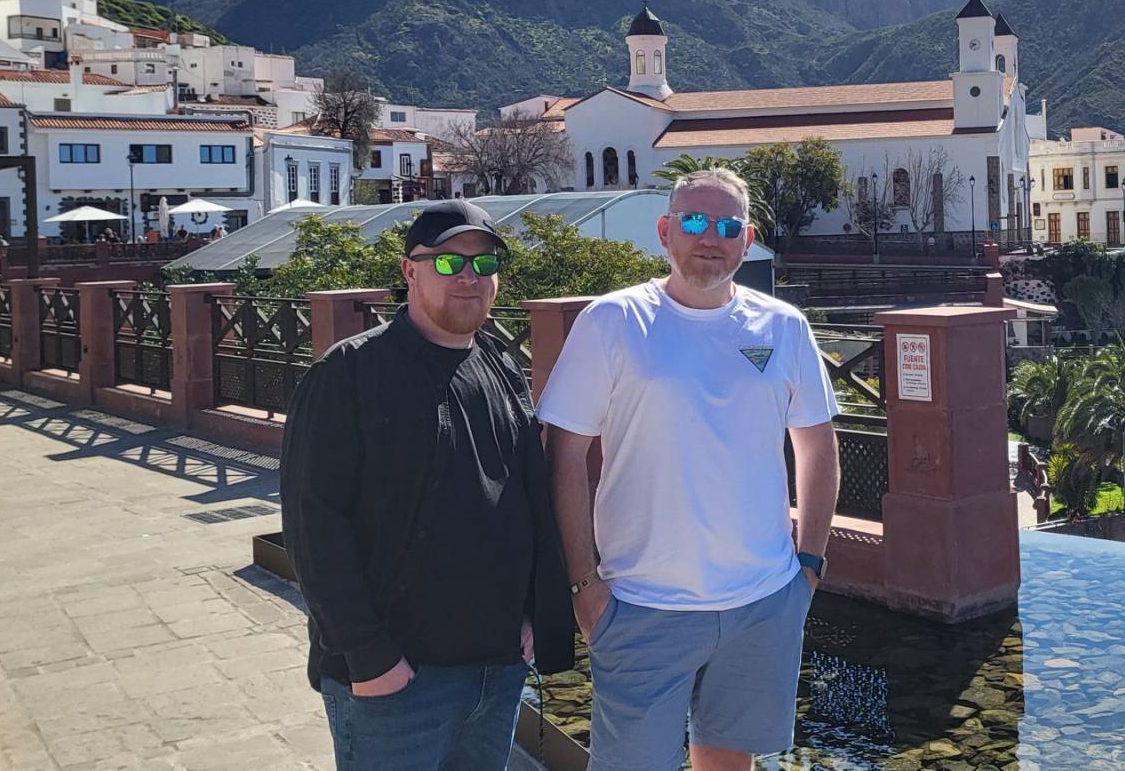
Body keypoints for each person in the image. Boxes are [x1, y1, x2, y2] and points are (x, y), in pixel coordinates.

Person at [540, 168, 839, 771]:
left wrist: (807, 566)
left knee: (729, 764)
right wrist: (583, 585)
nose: (710, 237)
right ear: (664, 231)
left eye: (728, 226)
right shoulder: (612, 321)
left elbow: (817, 447)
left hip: (763, 602)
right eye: (695, 221)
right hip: (640, 604)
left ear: (747, 239)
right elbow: (564, 453)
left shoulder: (783, 326)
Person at [282, 200, 574, 769]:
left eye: (484, 264)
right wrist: (370, 657)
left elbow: (525, 498)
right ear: (409, 271)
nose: (468, 277)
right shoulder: (349, 373)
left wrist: (536, 613)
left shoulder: (499, 365)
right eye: (447, 262)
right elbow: (312, 525)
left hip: (496, 671)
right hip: (399, 683)